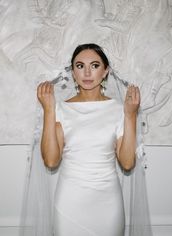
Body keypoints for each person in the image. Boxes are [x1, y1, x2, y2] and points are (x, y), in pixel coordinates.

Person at [36, 43, 140, 236]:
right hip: (70, 202)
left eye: (94, 65)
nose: (87, 73)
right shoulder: (60, 109)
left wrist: (131, 115)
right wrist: (49, 110)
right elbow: (51, 160)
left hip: (108, 203)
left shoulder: (119, 109)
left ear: (105, 71)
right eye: (80, 66)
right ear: (73, 72)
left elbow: (127, 163)